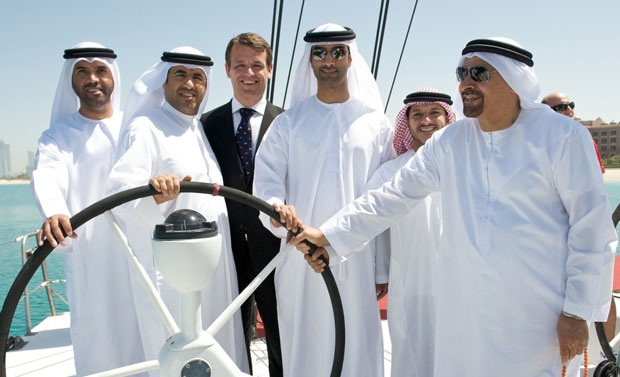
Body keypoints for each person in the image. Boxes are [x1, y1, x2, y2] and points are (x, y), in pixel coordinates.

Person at [291, 37, 617, 377]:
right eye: (461, 73)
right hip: (464, 317)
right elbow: (391, 197)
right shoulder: (451, 142)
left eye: (479, 73)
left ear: (514, 79)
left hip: (536, 318)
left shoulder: (561, 136)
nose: (466, 83)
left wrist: (577, 313)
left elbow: (590, 229)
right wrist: (326, 234)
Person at [253, 23, 393, 377]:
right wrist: (276, 211)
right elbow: (267, 184)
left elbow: (384, 198)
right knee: (306, 346)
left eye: (337, 52)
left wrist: (381, 268)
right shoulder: (288, 124)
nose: (328, 60)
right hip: (301, 259)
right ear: (310, 61)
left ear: (350, 57)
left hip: (359, 259)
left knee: (358, 346)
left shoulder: (377, 125)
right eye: (319, 53)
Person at [107, 46, 248, 373]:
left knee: (218, 346)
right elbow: (119, 190)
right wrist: (154, 193)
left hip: (212, 267)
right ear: (163, 83)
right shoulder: (146, 127)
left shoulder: (196, 128)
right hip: (170, 273)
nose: (190, 84)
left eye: (198, 77)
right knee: (176, 356)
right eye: (180, 75)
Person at [31, 42, 145, 375]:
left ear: (113, 77)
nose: (92, 78)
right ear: (72, 79)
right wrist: (53, 211)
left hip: (141, 256)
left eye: (100, 70)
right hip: (90, 260)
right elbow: (47, 175)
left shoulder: (135, 128)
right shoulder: (57, 138)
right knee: (99, 346)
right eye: (82, 70)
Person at [200, 32, 284, 376]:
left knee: (281, 330)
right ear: (227, 70)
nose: (249, 73)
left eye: (257, 66)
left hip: (277, 247)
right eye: (240, 66)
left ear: (270, 69)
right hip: (225, 250)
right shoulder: (206, 124)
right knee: (229, 334)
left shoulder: (287, 122)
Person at [369, 88, 454, 377]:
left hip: (462, 288)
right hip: (411, 286)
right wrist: (381, 274)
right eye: (417, 114)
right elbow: (372, 224)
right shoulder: (390, 173)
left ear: (448, 118)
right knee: (412, 361)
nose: (426, 120)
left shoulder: (468, 166)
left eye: (434, 113)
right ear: (407, 122)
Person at [542, 92, 606, 173]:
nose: (569, 110)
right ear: (545, 113)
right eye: (562, 107)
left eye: (571, 105)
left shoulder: (586, 140)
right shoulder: (536, 142)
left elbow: (597, 175)